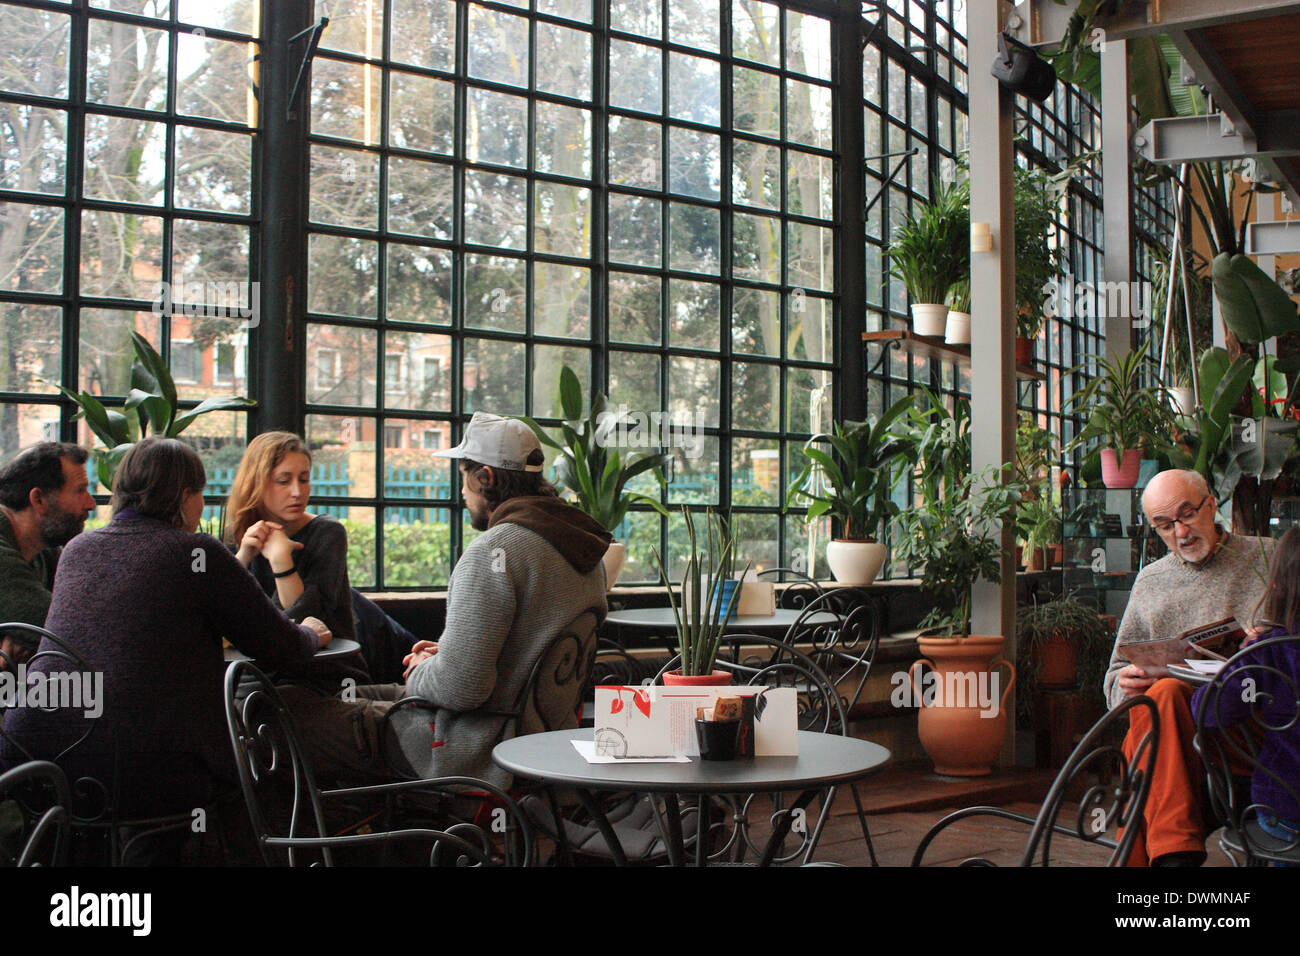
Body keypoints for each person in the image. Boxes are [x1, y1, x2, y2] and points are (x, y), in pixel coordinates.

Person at [0, 437, 331, 820]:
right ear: (186, 496)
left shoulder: (79, 549)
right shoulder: (196, 552)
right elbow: (279, 647)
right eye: (200, 493)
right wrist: (310, 632)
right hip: (130, 768)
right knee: (253, 771)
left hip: (34, 757)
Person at [280, 411, 611, 790]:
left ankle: (339, 843)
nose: (462, 492)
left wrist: (421, 667)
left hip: (472, 751)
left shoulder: (495, 550)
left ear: (485, 477)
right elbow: (525, 650)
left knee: (285, 713)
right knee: (329, 697)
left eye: (465, 479)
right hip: (540, 741)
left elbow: (462, 688)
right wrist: (449, 653)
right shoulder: (585, 550)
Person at [1102, 468, 1274, 866]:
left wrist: (1264, 641)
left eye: (1186, 515)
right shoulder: (1150, 582)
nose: (1180, 532)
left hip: (1247, 729)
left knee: (1157, 712)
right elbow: (1114, 672)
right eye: (1164, 525)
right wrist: (1122, 684)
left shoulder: (1267, 557)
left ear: (1211, 505)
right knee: (1160, 697)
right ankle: (1173, 854)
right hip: (1181, 742)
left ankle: (1163, 859)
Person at [1191, 526, 1300, 851]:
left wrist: (1242, 657)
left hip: (1286, 814)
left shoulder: (1269, 652)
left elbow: (1206, 710)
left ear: (1278, 585)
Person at [224, 432, 356, 648]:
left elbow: (304, 625)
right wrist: (244, 556)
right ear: (256, 483)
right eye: (283, 481)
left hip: (320, 671)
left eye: (304, 479)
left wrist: (281, 559)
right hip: (249, 670)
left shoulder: (328, 533)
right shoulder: (238, 535)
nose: (297, 491)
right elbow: (218, 611)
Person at [0, 442, 95, 671]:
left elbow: (80, 609)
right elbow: (67, 631)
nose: (90, 504)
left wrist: (24, 642)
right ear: (39, 499)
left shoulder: (44, 551)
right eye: (80, 490)